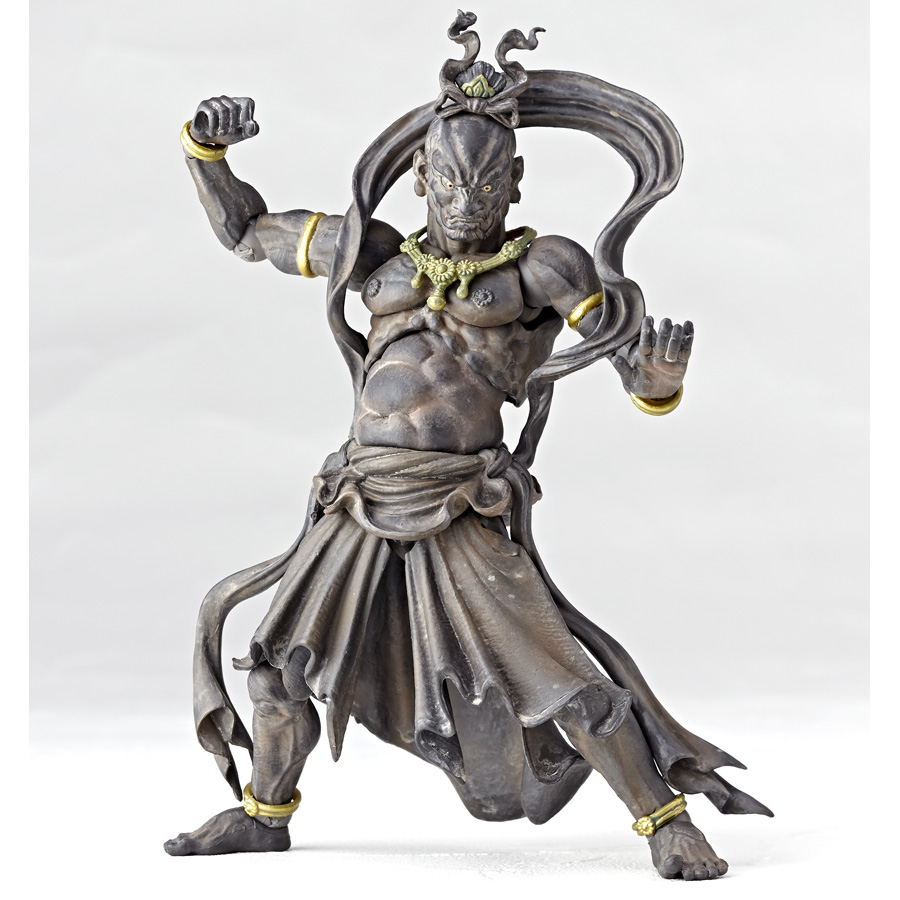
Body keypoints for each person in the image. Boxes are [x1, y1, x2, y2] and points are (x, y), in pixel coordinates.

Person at [164, 14, 771, 879]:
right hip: (360, 495)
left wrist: (659, 379)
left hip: (461, 499)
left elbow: (626, 366)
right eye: (448, 179)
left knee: (562, 681)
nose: (465, 200)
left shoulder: (545, 268)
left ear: (514, 183)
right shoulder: (368, 251)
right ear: (420, 174)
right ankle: (266, 814)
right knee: (277, 668)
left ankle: (663, 820)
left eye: (486, 183)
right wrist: (207, 154)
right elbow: (245, 232)